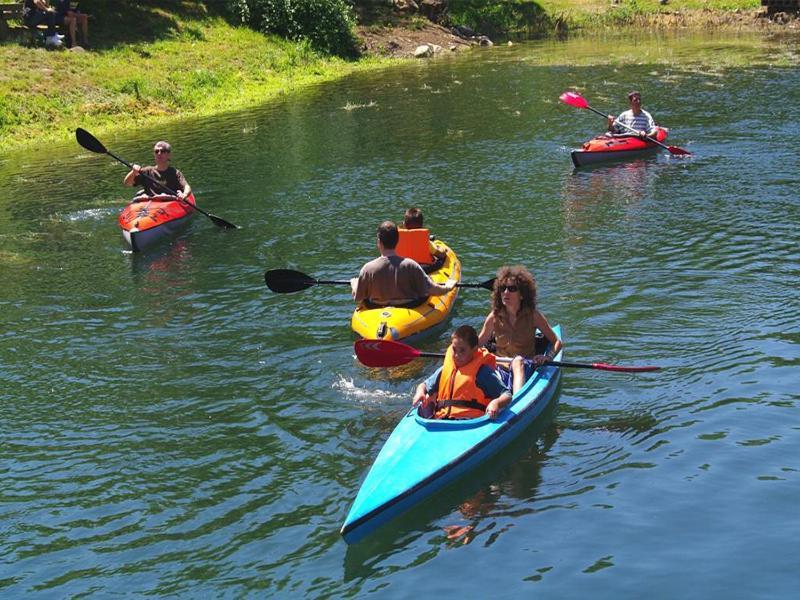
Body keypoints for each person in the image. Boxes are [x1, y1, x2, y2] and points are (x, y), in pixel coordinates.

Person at [478, 265, 563, 395]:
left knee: (517, 361)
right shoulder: (494, 317)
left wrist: (548, 357)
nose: (506, 293)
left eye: (512, 289)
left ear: (522, 295)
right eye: (503, 288)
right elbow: (477, 344)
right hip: (499, 367)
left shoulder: (533, 315)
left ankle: (517, 400)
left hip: (525, 365)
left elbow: (557, 342)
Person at [413, 325, 512, 420]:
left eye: (462, 350)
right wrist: (420, 392)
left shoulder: (483, 372)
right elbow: (424, 385)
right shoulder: (445, 370)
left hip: (470, 422)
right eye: (454, 349)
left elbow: (506, 395)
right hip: (442, 420)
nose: (456, 355)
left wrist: (496, 403)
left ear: (474, 349)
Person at [350, 221, 456, 307]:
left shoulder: (367, 269)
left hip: (377, 307)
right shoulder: (411, 265)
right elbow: (433, 290)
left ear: (379, 242)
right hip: (409, 307)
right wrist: (448, 287)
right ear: (398, 240)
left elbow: (357, 297)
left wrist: (354, 284)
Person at [123, 141, 192, 202]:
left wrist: (184, 195)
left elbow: (186, 186)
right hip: (150, 203)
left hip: (169, 201)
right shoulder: (146, 171)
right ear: (154, 155)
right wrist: (133, 172)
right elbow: (127, 183)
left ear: (168, 154)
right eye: (156, 151)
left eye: (162, 151)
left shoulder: (175, 173)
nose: (159, 153)